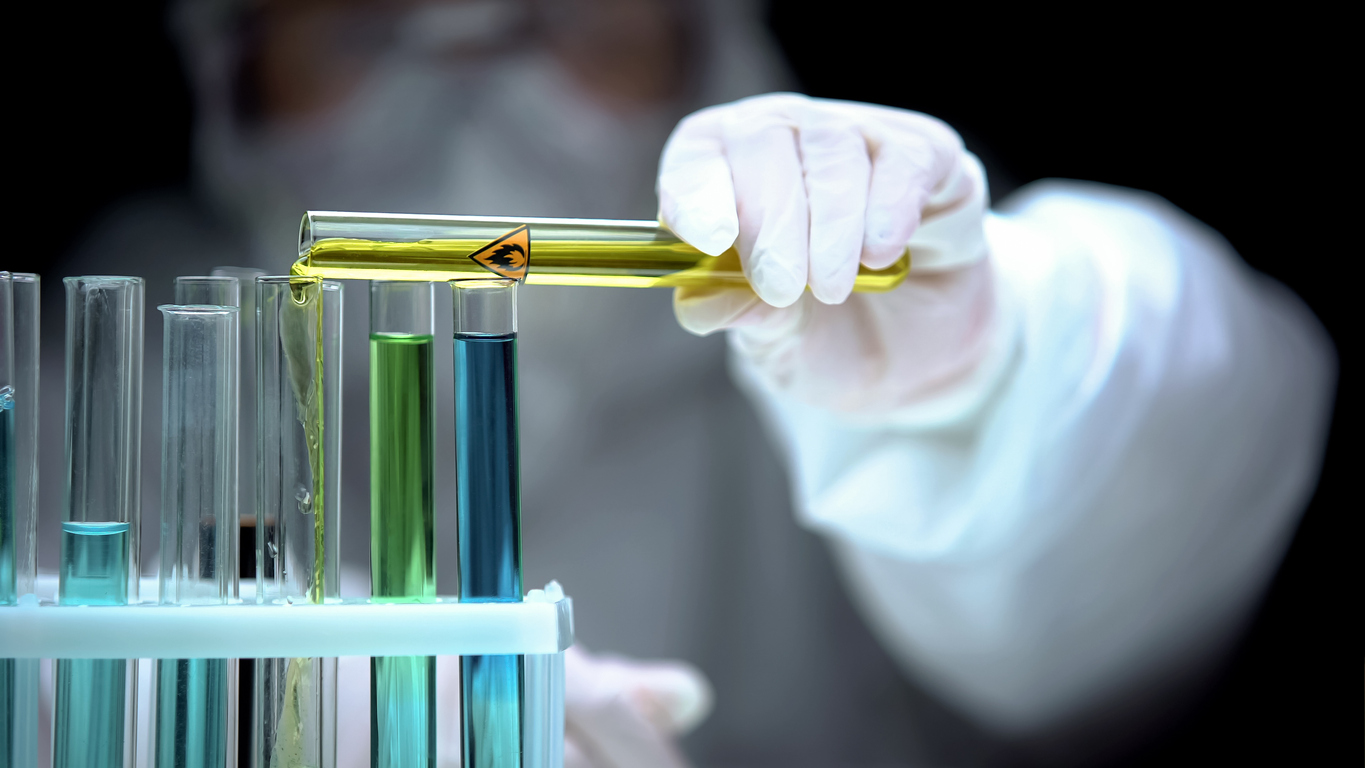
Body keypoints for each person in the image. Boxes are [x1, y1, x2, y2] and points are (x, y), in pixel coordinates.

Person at [41, 1, 1333, 766]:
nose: (470, 72)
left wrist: (989, 369)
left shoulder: (864, 244)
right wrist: (251, 714)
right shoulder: (129, 326)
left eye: (570, 12)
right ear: (229, 58)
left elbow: (1205, 420)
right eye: (358, 20)